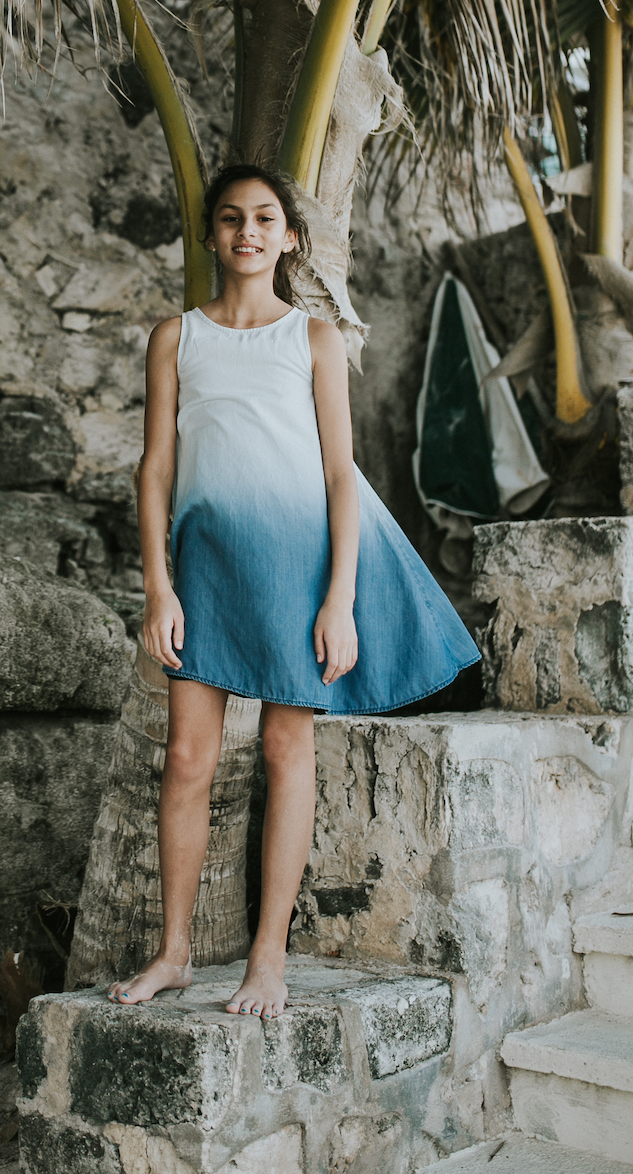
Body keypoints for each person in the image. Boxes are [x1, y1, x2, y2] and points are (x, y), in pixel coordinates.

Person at [108, 164, 480, 1018]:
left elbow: (341, 477)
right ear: (210, 235)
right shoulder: (178, 337)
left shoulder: (312, 339)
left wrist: (339, 598)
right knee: (188, 761)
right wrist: (157, 588)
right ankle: (174, 953)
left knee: (286, 751)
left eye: (266, 218)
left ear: (291, 237)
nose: (248, 231)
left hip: (299, 569)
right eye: (233, 218)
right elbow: (155, 470)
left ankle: (268, 957)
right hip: (203, 569)